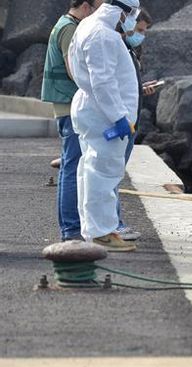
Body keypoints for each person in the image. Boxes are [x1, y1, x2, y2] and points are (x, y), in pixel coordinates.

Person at [67, 0, 140, 251]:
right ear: (123, 11)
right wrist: (119, 117)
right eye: (132, 14)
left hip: (93, 109)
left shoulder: (89, 25)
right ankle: (102, 232)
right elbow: (103, 81)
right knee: (103, 174)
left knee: (90, 171)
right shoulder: (104, 35)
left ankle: (94, 229)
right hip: (104, 115)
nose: (132, 20)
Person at [41, 0, 104, 242]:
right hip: (70, 105)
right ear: (86, 6)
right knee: (72, 166)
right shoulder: (70, 28)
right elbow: (73, 69)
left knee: (70, 164)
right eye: (97, 6)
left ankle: (71, 228)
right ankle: (71, 229)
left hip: (66, 104)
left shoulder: (64, 24)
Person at [112, 7, 154, 242]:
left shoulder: (130, 50)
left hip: (129, 121)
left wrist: (140, 88)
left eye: (144, 32)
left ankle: (113, 223)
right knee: (111, 175)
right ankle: (114, 225)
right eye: (139, 30)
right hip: (121, 122)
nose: (140, 36)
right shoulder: (116, 47)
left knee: (113, 175)